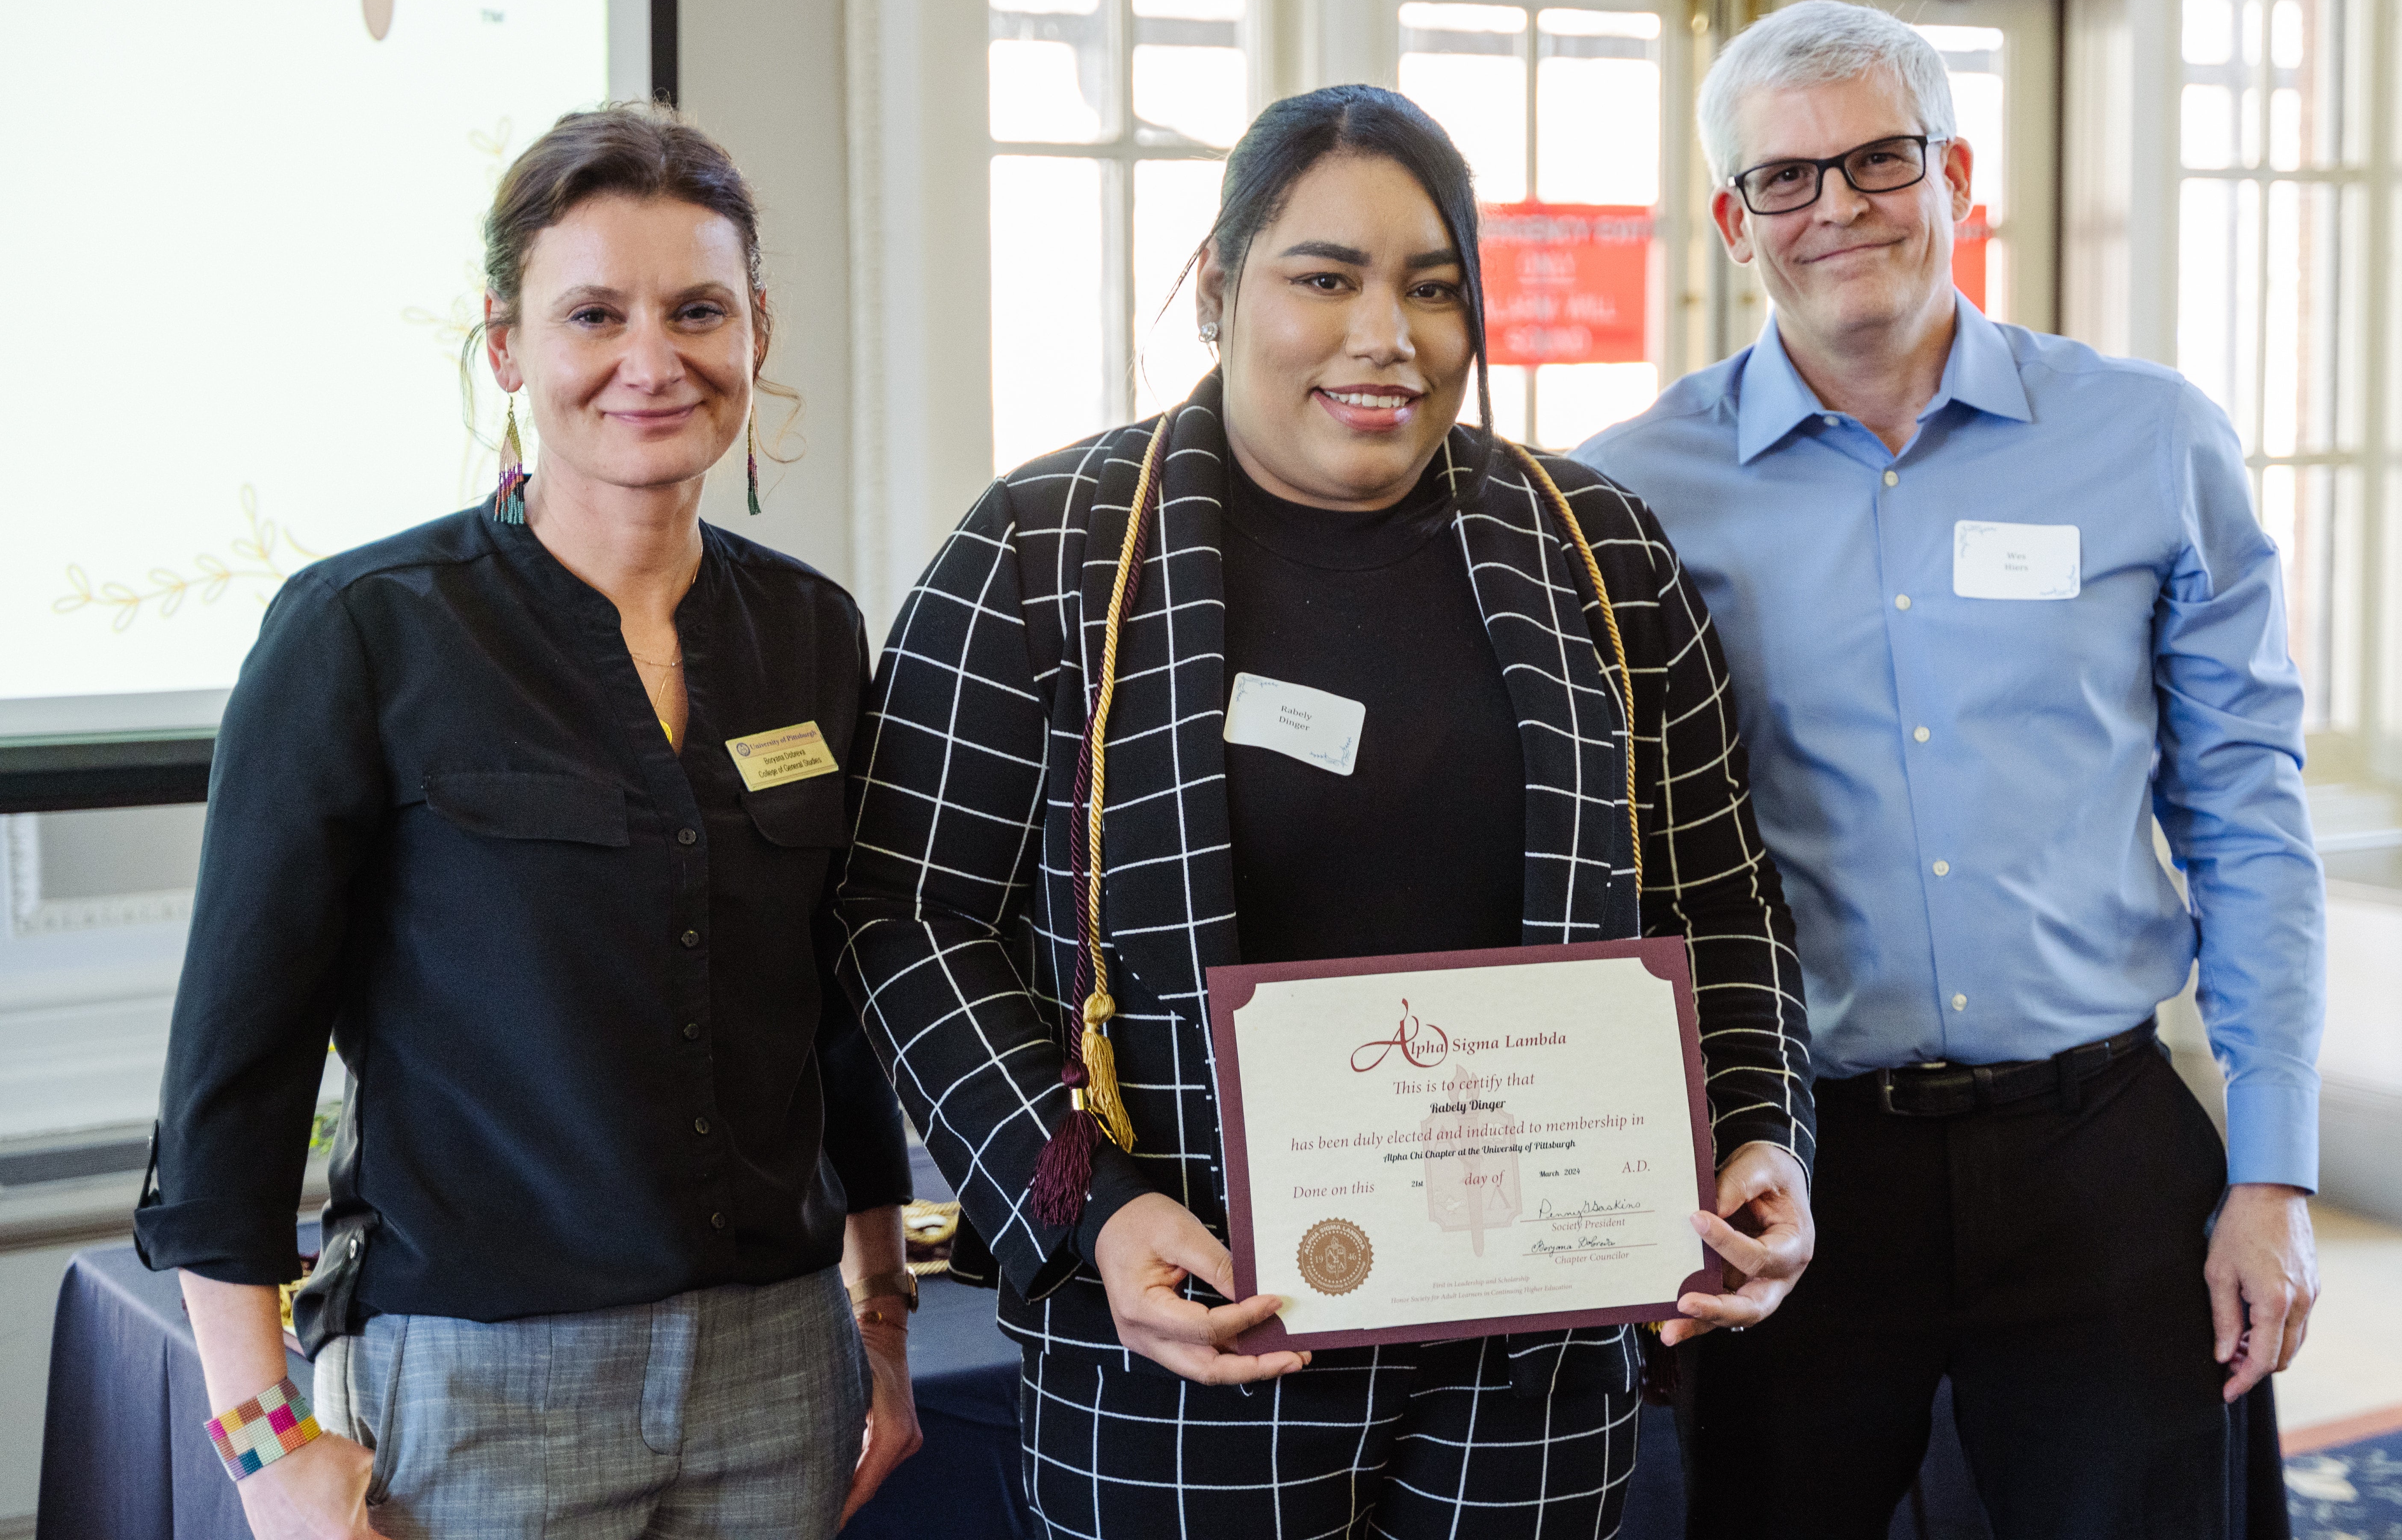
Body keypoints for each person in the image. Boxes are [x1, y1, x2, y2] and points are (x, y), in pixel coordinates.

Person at [839, 84, 1816, 1540]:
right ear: (1222, 291)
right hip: (1185, 1347)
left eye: (1434, 289)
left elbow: (1723, 901)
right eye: (1326, 278)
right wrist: (1086, 1213)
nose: (1387, 336)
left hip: (1533, 1355)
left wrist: (1763, 1136)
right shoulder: (1042, 555)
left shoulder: (1599, 551)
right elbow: (906, 917)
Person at [1572, 0, 2327, 1539]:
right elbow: (1601, 859)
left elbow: (2249, 810)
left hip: (2103, 1150)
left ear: (1958, 175)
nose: (1838, 207)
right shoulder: (1628, 492)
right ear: (1733, 219)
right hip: (1797, 1170)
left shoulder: (2150, 439)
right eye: (1786, 178)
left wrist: (2277, 1175)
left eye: (1880, 159)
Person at [135, 103, 921, 1540]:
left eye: (699, 311)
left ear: (757, 333)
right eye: (592, 315)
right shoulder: (362, 634)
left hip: (775, 1376)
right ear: (507, 350)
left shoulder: (812, 631)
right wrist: (265, 1447)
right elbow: (231, 1079)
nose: (651, 359)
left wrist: (879, 1317)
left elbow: (836, 1012)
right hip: (479, 1381)